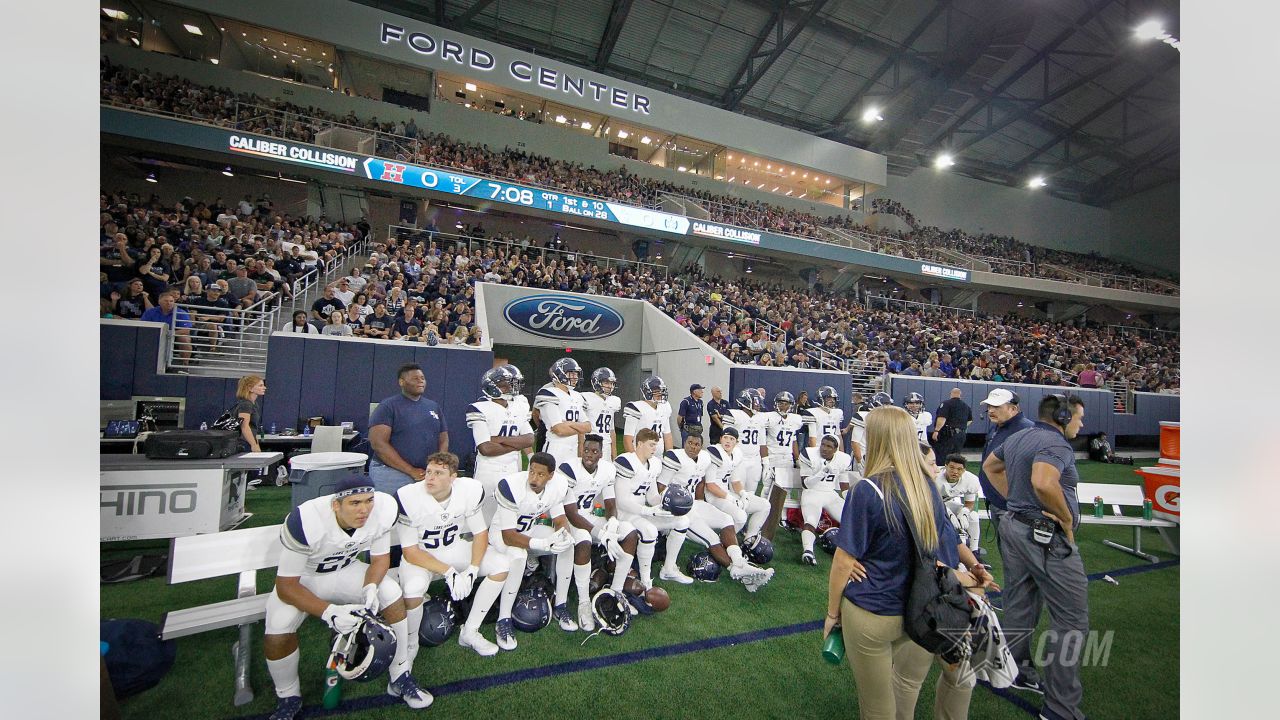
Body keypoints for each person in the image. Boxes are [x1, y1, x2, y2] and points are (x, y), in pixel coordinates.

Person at [824, 406, 988, 720]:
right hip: (912, 609)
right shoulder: (926, 486)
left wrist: (833, 612)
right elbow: (938, 546)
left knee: (877, 706)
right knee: (901, 686)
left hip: (872, 610)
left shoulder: (867, 489)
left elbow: (844, 560)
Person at [263, 476, 423, 719]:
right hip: (305, 578)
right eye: (355, 503)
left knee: (390, 592)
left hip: (347, 570)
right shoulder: (307, 520)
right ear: (335, 505)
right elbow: (286, 586)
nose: (364, 509)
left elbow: (380, 559)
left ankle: (400, 674)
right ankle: (288, 697)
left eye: (369, 500)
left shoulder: (382, 510)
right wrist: (329, 612)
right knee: (278, 627)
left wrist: (370, 586)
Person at [983, 394, 1089, 720]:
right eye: (1078, 418)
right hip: (1043, 537)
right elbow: (1043, 482)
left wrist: (1014, 499)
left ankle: (1012, 670)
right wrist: (1066, 519)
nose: (1081, 424)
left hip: (1014, 527)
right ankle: (1059, 710)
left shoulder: (1019, 436)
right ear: (1061, 415)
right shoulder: (1055, 443)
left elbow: (990, 466)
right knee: (1071, 621)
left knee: (1019, 601)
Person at [395, 452, 510, 659]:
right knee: (413, 589)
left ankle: (470, 631)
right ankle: (410, 647)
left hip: (453, 547)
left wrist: (473, 570)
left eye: (439, 473)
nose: (430, 477)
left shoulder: (469, 490)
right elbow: (410, 551)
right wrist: (450, 573)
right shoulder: (409, 497)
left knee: (501, 564)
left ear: (453, 477)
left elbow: (480, 533)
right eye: (429, 471)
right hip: (422, 556)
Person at [661, 432, 775, 590]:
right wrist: (669, 508)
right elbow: (661, 486)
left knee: (727, 520)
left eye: (697, 444)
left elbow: (701, 481)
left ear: (701, 446)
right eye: (690, 443)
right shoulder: (674, 457)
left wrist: (700, 501)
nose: (693, 447)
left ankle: (739, 563)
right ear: (684, 442)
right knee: (711, 537)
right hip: (679, 508)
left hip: (696, 503)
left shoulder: (704, 458)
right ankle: (737, 569)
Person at [488, 452, 576, 650]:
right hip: (501, 536)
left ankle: (560, 605)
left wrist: (563, 535)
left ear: (551, 476)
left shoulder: (558, 485)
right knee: (519, 555)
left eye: (540, 474)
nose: (534, 478)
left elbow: (560, 518)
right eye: (531, 471)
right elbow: (508, 536)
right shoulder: (511, 486)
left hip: (529, 531)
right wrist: (543, 544)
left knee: (567, 546)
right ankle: (503, 619)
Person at [555, 434, 641, 628]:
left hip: (590, 515)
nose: (589, 455)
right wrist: (601, 534)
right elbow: (571, 513)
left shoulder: (607, 470)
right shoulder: (568, 469)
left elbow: (610, 502)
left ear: (601, 454)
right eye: (586, 450)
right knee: (584, 538)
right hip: (568, 519)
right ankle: (584, 602)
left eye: (594, 451)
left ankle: (615, 593)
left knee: (629, 531)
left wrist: (611, 522)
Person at [613, 428, 693, 588]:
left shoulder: (654, 464)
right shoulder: (626, 461)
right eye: (651, 445)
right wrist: (647, 511)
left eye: (655, 445)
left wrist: (667, 504)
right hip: (623, 515)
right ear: (639, 444)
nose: (654, 449)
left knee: (682, 521)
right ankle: (645, 580)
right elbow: (621, 501)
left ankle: (669, 568)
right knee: (649, 530)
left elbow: (652, 496)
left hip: (642, 511)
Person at [368, 364, 448, 497]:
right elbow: (378, 444)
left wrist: (438, 463)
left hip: (425, 474)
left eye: (422, 378)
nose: (421, 381)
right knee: (392, 513)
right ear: (402, 382)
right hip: (391, 473)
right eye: (415, 378)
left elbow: (443, 437)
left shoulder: (433, 406)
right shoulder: (388, 406)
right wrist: (410, 470)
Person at [467, 366, 535, 524]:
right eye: (505, 384)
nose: (510, 388)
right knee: (485, 516)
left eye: (511, 384)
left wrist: (498, 439)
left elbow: (530, 439)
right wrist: (516, 443)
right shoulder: (479, 408)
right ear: (492, 386)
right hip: (489, 469)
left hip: (513, 467)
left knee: (509, 515)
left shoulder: (519, 405)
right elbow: (486, 449)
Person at [976, 389, 1034, 558]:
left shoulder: (1026, 430)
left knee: (1017, 558)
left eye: (996, 406)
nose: (991, 410)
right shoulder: (998, 428)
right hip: (998, 502)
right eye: (989, 406)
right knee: (1008, 557)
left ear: (1013, 408)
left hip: (1012, 507)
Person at [700, 427, 771, 544]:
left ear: (736, 442)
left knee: (764, 505)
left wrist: (743, 494)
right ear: (720, 439)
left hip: (727, 494)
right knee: (741, 516)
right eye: (725, 438)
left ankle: (749, 538)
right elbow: (710, 485)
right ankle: (721, 542)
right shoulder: (715, 452)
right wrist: (730, 498)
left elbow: (735, 481)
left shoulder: (736, 454)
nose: (728, 441)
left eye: (731, 439)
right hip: (714, 497)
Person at [797, 434, 853, 565]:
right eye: (823, 444)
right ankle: (808, 551)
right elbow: (805, 484)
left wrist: (850, 500)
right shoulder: (809, 454)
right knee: (811, 520)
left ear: (835, 450)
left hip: (830, 494)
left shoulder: (843, 459)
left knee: (849, 519)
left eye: (829, 446)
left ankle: (854, 551)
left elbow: (844, 484)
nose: (824, 448)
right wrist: (822, 472)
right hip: (812, 492)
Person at [759, 391, 802, 541]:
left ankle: (782, 518)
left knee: (786, 489)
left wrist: (797, 459)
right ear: (776, 403)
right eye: (781, 402)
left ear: (791, 405)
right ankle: (761, 515)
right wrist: (765, 461)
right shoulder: (769, 417)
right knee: (767, 487)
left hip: (787, 457)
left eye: (786, 403)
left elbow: (794, 440)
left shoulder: (795, 420)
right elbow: (762, 440)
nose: (783, 405)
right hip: (773, 456)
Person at [532, 358, 590, 467]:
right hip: (556, 448)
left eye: (576, 374)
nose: (575, 377)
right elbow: (559, 430)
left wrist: (568, 423)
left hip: (573, 447)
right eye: (571, 373)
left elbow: (588, 427)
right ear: (559, 374)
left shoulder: (577, 396)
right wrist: (578, 427)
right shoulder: (548, 393)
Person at [936, 454, 983, 556]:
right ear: (945, 466)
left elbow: (969, 503)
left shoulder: (971, 480)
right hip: (934, 506)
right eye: (952, 468)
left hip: (949, 502)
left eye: (959, 469)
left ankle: (974, 551)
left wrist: (965, 512)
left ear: (964, 470)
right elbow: (930, 502)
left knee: (973, 516)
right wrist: (947, 513)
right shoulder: (935, 477)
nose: (955, 472)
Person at [724, 390, 767, 496]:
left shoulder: (761, 417)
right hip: (739, 459)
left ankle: (747, 512)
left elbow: (762, 442)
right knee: (736, 493)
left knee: (751, 493)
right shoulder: (734, 415)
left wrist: (766, 462)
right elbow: (726, 441)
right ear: (746, 402)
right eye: (755, 401)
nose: (758, 405)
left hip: (755, 459)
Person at [140, 288, 193, 366]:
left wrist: (168, 334)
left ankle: (185, 364)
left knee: (185, 338)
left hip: (173, 336)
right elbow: (143, 325)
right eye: (166, 301)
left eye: (171, 301)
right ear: (159, 302)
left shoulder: (181, 312)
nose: (169, 303)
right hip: (153, 335)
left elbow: (186, 330)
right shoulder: (150, 312)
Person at [622, 376, 674, 453]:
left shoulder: (665, 407)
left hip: (658, 457)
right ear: (647, 392)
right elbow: (627, 439)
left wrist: (670, 456)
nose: (660, 393)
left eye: (661, 390)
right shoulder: (636, 408)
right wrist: (634, 461)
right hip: (640, 456)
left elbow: (667, 436)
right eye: (656, 390)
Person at [582, 367, 622, 459]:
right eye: (606, 382)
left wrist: (614, 452)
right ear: (596, 382)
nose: (609, 386)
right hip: (590, 444)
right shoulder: (586, 398)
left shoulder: (614, 401)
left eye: (612, 383)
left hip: (606, 445)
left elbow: (611, 429)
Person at [931, 388, 973, 460]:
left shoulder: (946, 404)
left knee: (942, 457)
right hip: (961, 435)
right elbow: (970, 420)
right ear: (960, 395)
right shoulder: (966, 406)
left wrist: (936, 431)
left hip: (948, 435)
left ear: (951, 394)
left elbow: (942, 418)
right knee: (955, 458)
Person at [233, 375, 266, 454]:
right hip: (242, 443)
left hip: (248, 441)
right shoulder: (246, 404)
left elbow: (252, 427)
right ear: (250, 388)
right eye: (260, 385)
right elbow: (244, 426)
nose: (264, 388)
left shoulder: (253, 404)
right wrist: (253, 445)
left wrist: (256, 443)